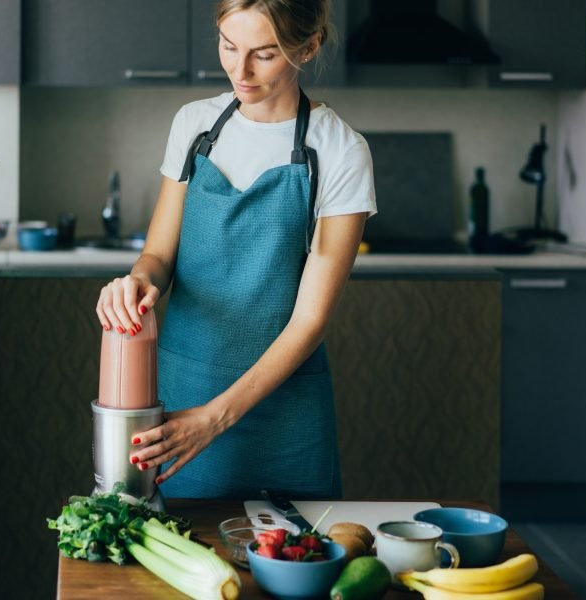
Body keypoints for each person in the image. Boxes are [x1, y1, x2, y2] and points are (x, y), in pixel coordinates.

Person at [95, 0, 376, 499]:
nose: (239, 71)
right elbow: (158, 256)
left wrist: (216, 417)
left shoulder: (339, 150)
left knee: (294, 562)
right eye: (229, 46)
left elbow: (311, 320)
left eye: (264, 54)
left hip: (283, 413)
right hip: (183, 395)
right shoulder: (194, 126)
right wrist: (138, 281)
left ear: (308, 47)